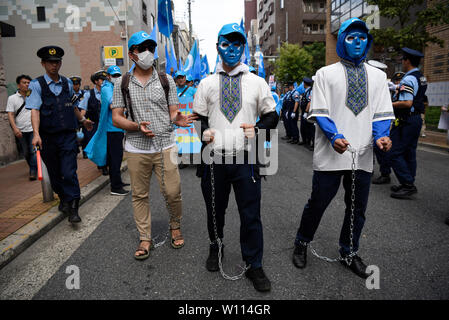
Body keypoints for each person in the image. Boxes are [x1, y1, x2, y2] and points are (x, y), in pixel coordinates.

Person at [291, 18, 394, 279]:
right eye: (351, 37)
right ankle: (302, 241)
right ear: (341, 42)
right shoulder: (325, 74)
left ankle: (349, 251)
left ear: (367, 42)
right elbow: (319, 111)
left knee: (357, 207)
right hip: (331, 152)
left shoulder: (379, 77)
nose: (357, 42)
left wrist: (382, 136)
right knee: (318, 202)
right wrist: (333, 135)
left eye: (362, 38)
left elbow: (382, 114)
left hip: (363, 153)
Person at [193, 23, 279, 292]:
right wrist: (203, 133)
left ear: (244, 47)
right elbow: (200, 118)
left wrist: (260, 129)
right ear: (218, 46)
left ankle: (254, 264)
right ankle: (214, 246)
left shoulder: (257, 82)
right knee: (215, 209)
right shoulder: (206, 83)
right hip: (214, 158)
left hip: (246, 158)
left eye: (237, 44)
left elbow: (271, 115)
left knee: (250, 213)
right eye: (226, 44)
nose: (232, 49)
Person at [111, 30, 197, 260]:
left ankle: (175, 225)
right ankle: (145, 237)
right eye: (142, 48)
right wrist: (137, 126)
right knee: (139, 195)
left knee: (172, 191)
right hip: (136, 148)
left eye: (150, 48)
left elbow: (173, 111)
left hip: (165, 145)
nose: (148, 52)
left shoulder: (166, 79)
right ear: (132, 54)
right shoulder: (122, 82)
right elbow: (116, 117)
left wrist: (176, 118)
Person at [26, 45, 93, 223]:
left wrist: (82, 120)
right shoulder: (36, 85)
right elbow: (35, 111)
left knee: (69, 172)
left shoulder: (67, 83)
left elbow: (72, 107)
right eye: (50, 62)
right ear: (43, 63)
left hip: (68, 136)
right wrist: (36, 134)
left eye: (57, 62)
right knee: (55, 176)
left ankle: (73, 208)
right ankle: (63, 197)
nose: (54, 65)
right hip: (47, 138)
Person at [389, 48, 427, 200]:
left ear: (407, 61)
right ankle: (407, 182)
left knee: (394, 152)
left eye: (402, 60)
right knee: (409, 152)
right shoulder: (421, 77)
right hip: (416, 118)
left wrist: (390, 104)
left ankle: (408, 184)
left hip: (407, 119)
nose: (401, 63)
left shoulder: (408, 79)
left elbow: (406, 102)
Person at [85, 65, 129, 195]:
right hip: (112, 128)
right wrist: (125, 106)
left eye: (118, 75)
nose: (116, 78)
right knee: (115, 158)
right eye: (114, 76)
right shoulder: (107, 88)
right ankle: (115, 187)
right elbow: (112, 104)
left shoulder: (114, 87)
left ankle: (117, 182)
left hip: (117, 128)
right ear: (108, 76)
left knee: (117, 157)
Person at [7, 74, 37, 180]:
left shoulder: (34, 95)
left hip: (33, 128)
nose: (27, 85)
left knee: (33, 150)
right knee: (26, 152)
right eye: (24, 82)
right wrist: (15, 128)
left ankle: (33, 171)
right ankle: (33, 167)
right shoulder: (12, 98)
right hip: (21, 130)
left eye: (28, 83)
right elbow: (10, 114)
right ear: (18, 85)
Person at [79, 70, 108, 174]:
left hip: (107, 124)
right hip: (94, 125)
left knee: (107, 145)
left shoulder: (109, 92)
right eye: (102, 79)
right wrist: (82, 121)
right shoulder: (88, 95)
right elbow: (83, 110)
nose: (105, 81)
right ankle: (101, 164)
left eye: (106, 79)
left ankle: (104, 164)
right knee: (98, 146)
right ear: (96, 81)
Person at [298, 77, 315, 151]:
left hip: (307, 113)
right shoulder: (306, 91)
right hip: (304, 112)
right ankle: (305, 141)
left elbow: (309, 102)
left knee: (309, 128)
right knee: (303, 127)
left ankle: (309, 142)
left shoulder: (310, 91)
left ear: (305, 84)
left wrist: (305, 112)